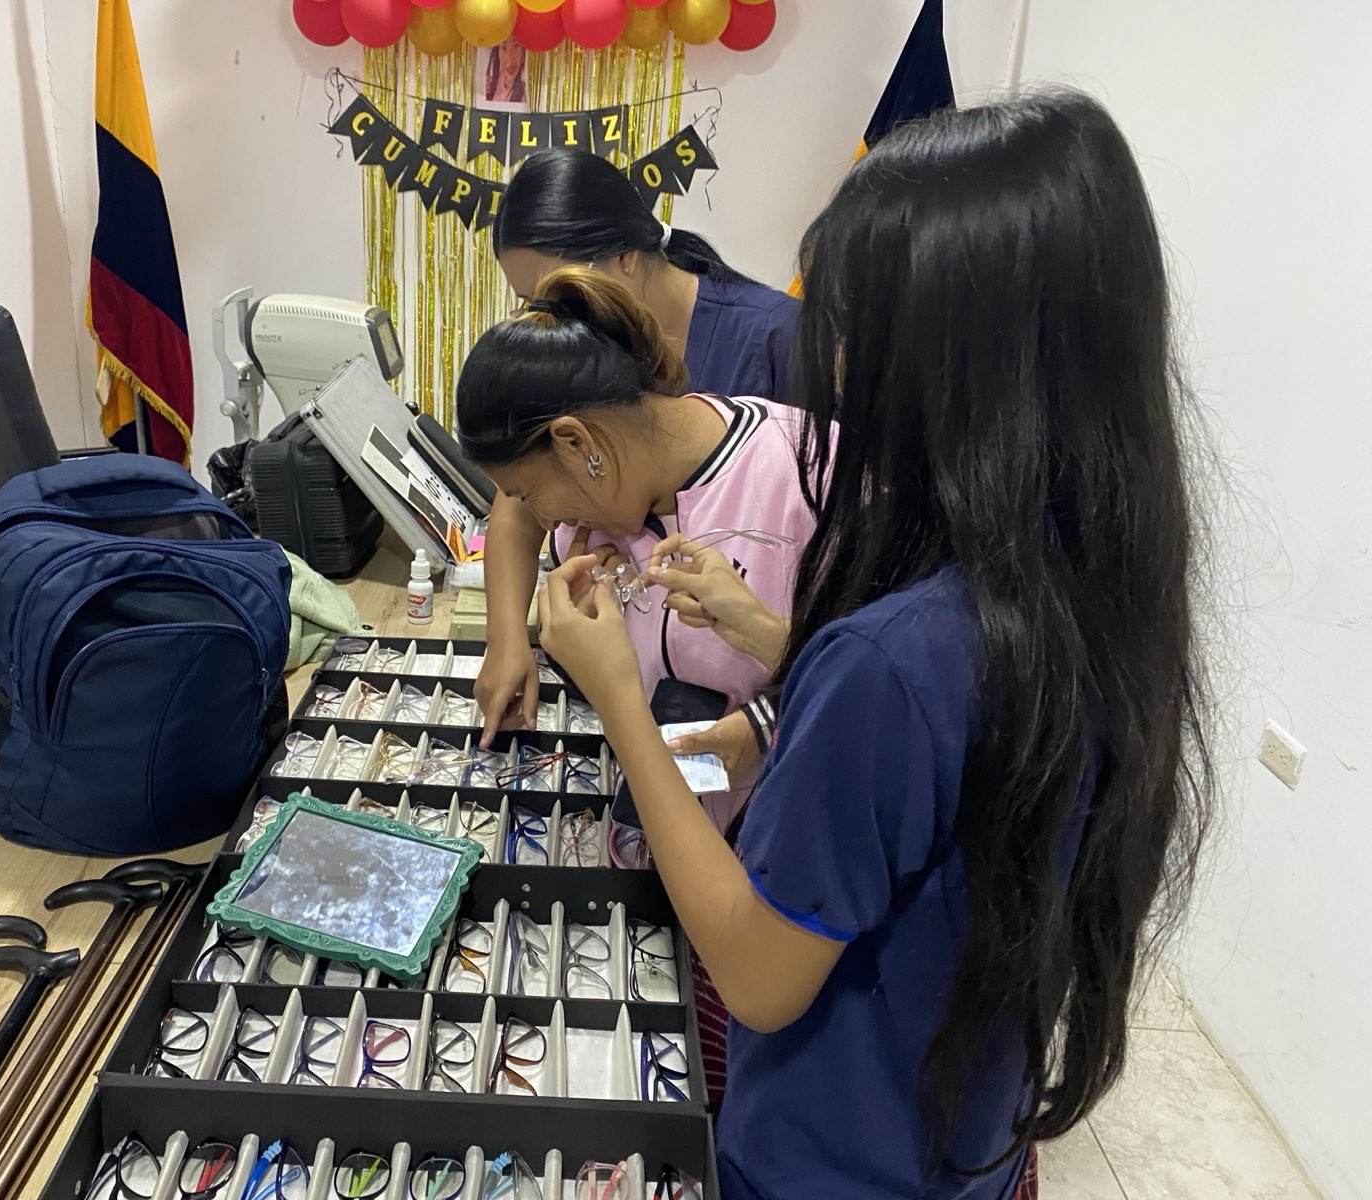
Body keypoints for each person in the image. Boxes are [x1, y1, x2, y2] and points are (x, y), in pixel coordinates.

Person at [535, 91, 1214, 1199]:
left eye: (847, 330)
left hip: (826, 1162)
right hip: (965, 1145)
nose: (832, 364)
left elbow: (757, 976)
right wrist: (776, 670)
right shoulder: (1088, 594)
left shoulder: (893, 658)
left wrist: (615, 697)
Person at [477, 146, 801, 765]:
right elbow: (521, 497)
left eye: (557, 289)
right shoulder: (580, 348)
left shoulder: (776, 343)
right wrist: (506, 636)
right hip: (636, 690)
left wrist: (769, 721)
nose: (555, 315)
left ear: (625, 256)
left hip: (756, 709)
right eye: (532, 302)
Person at [484, 37, 527, 105]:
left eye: (516, 45)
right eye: (504, 48)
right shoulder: (493, 82)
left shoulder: (527, 94)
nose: (510, 60)